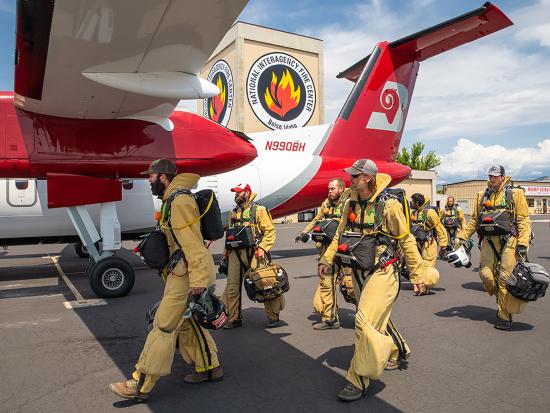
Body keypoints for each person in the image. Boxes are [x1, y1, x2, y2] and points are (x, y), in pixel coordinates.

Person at [110, 159, 222, 402]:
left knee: (163, 327)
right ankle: (209, 367)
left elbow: (192, 244)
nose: (148, 181)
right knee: (188, 324)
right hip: (184, 272)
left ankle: (140, 383)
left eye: (150, 177)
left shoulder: (179, 201)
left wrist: (199, 280)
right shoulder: (173, 200)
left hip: (188, 275)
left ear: (163, 177)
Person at [318, 159, 425, 402]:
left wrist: (418, 274)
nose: (350, 180)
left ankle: (358, 379)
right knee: (374, 320)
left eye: (355, 176)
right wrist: (326, 258)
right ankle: (396, 349)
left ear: (367, 177)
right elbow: (339, 235)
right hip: (358, 269)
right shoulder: (349, 203)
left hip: (383, 271)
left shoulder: (389, 206)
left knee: (363, 322)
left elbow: (406, 239)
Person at [459, 164, 531, 330]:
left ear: (503, 176)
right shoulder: (481, 195)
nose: (492, 179)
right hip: (488, 240)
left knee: (504, 278)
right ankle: (501, 298)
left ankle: (504, 315)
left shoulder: (515, 194)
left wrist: (522, 244)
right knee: (485, 274)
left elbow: (523, 220)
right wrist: (462, 237)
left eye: (495, 176)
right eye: (490, 175)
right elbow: (475, 221)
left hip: (510, 240)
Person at [222, 184, 284, 329]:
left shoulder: (259, 210)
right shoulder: (233, 213)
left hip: (256, 252)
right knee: (232, 287)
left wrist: (263, 248)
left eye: (239, 192)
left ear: (248, 193)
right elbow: (230, 235)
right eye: (235, 193)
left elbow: (270, 231)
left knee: (265, 284)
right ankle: (234, 318)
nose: (236, 195)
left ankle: (273, 316)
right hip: (235, 254)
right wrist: (226, 253)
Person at [296, 178, 351, 330]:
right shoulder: (326, 203)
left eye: (332, 189)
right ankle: (330, 319)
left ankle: (365, 317)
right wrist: (304, 232)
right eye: (329, 189)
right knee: (326, 283)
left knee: (351, 286)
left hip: (345, 249)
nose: (329, 191)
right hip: (327, 250)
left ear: (341, 189)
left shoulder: (350, 203)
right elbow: (317, 219)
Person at [410, 193, 448, 295]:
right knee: (417, 265)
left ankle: (425, 286)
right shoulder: (413, 212)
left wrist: (443, 244)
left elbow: (440, 228)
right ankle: (420, 284)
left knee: (427, 265)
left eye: (412, 201)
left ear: (417, 202)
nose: (411, 203)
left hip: (428, 243)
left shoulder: (430, 213)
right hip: (416, 242)